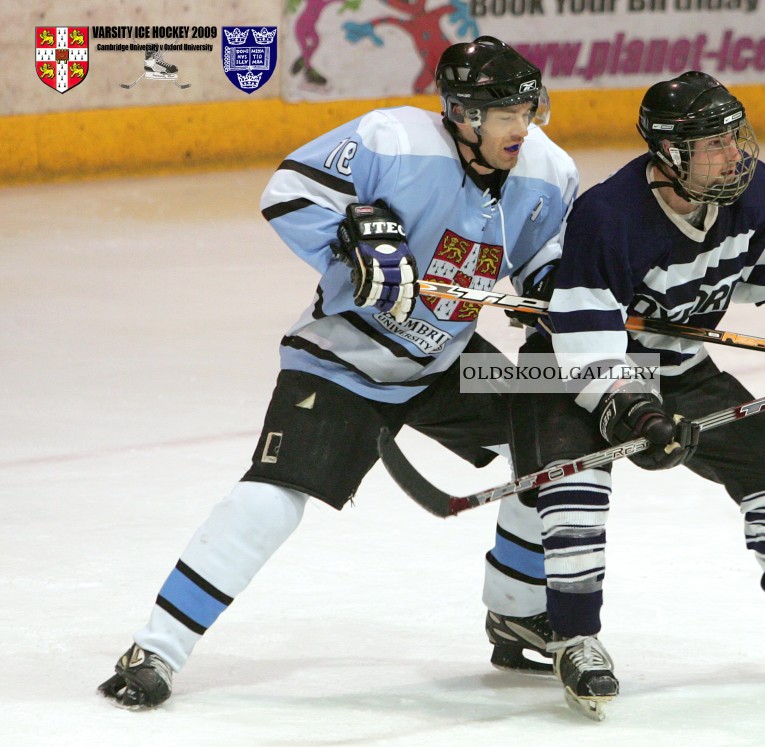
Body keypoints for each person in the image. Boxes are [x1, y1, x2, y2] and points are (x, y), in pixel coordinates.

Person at [98, 36, 578, 709]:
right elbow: (289, 190)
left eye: (528, 111)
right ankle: (157, 645)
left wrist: (559, 296)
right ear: (464, 114)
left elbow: (544, 260)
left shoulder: (548, 172)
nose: (521, 129)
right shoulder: (392, 140)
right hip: (344, 356)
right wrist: (354, 237)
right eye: (505, 115)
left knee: (558, 445)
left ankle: (518, 609)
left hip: (445, 360)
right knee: (273, 496)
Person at [480, 71, 765, 720]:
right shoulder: (609, 217)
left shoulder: (754, 191)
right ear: (670, 154)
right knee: (578, 487)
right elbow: (584, 342)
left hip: (677, 363)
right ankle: (576, 638)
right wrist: (631, 407)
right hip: (570, 368)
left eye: (734, 136)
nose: (734, 153)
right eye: (714, 144)